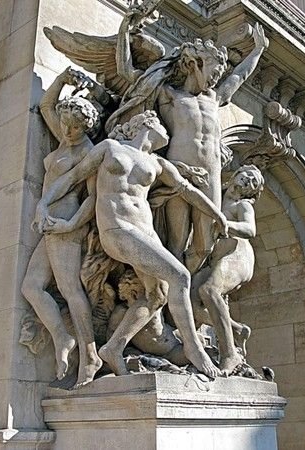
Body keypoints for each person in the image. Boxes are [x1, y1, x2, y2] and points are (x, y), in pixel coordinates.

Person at [33, 111, 228, 378]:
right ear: (147, 124)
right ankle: (194, 349)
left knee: (157, 295)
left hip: (145, 233)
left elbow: (189, 191)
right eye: (162, 126)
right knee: (180, 275)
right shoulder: (110, 148)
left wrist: (216, 214)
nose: (168, 133)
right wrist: (43, 204)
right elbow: (72, 178)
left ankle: (113, 348)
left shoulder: (157, 163)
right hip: (116, 228)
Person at [110, 5, 269, 273]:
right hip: (180, 172)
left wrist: (257, 51)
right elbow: (129, 74)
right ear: (195, 64)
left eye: (220, 71)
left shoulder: (214, 98)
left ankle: (184, 286)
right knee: (174, 241)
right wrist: (125, 29)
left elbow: (239, 76)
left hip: (211, 173)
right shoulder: (168, 94)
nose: (219, 76)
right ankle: (169, 300)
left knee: (205, 244)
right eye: (214, 69)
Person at [21, 68, 103, 388]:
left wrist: (71, 224)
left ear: (86, 126)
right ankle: (62, 337)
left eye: (74, 128)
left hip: (65, 224)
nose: (67, 132)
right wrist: (64, 78)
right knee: (31, 286)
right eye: (65, 126)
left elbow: (93, 197)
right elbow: (45, 105)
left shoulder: (88, 152)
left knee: (70, 290)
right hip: (49, 225)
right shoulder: (66, 137)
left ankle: (90, 352)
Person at [191, 165, 264, 374]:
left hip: (238, 252)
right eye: (246, 176)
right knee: (190, 300)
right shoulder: (218, 194)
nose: (247, 181)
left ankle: (229, 354)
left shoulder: (243, 206)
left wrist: (224, 224)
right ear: (236, 175)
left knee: (208, 290)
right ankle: (236, 330)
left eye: (253, 183)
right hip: (218, 256)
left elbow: (250, 229)